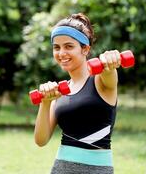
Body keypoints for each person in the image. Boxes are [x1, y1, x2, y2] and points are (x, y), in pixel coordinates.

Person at [34, 13, 121, 174]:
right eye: (56, 47)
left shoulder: (101, 80)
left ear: (85, 49)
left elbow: (110, 75)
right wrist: (45, 102)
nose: (61, 53)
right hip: (61, 168)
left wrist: (110, 62)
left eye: (68, 46)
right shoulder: (59, 92)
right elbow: (41, 140)